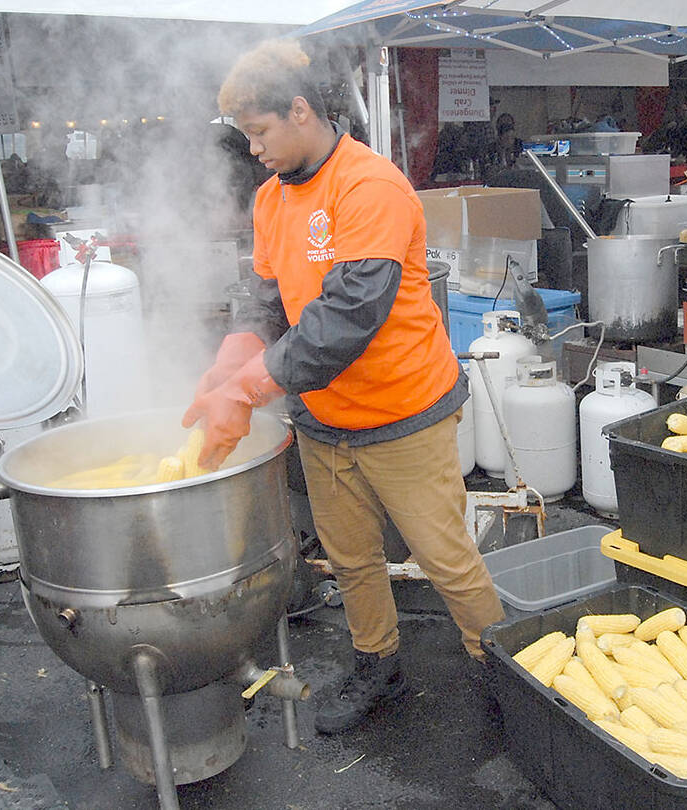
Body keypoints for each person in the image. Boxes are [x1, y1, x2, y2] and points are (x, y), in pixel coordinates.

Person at [183, 39, 505, 735]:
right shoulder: (273, 199)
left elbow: (348, 315)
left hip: (405, 413)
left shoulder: (370, 187)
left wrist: (247, 391)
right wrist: (234, 354)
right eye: (246, 137)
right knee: (353, 561)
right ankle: (377, 667)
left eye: (261, 132)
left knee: (445, 558)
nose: (254, 150)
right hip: (325, 421)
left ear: (300, 111)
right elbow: (265, 295)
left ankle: (500, 671)